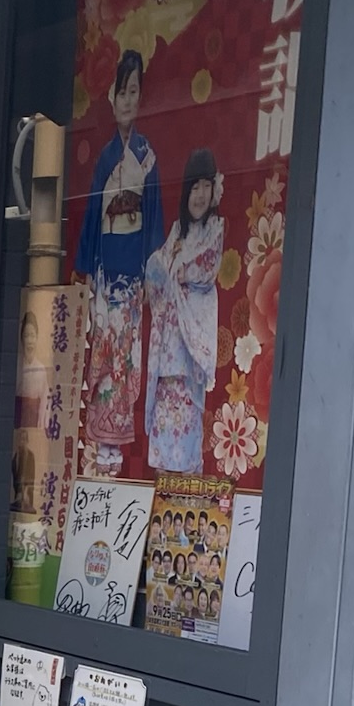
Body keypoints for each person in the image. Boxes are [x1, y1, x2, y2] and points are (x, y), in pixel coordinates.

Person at [75, 50, 163, 476]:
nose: (128, 100)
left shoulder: (147, 156)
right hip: (107, 266)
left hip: (133, 270)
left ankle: (119, 441)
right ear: (111, 97)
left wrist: (151, 271)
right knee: (105, 351)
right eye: (122, 92)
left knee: (126, 351)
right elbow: (93, 215)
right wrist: (88, 268)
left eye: (134, 92)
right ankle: (103, 443)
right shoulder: (106, 159)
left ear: (140, 97)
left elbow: (155, 216)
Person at [143, 149, 224, 472]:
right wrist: (167, 267)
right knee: (165, 428)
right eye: (195, 187)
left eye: (206, 186)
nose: (200, 195)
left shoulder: (215, 229)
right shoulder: (177, 231)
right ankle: (164, 490)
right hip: (168, 350)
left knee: (187, 427)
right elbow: (156, 271)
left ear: (214, 190)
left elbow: (204, 268)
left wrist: (176, 269)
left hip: (190, 351)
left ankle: (186, 492)